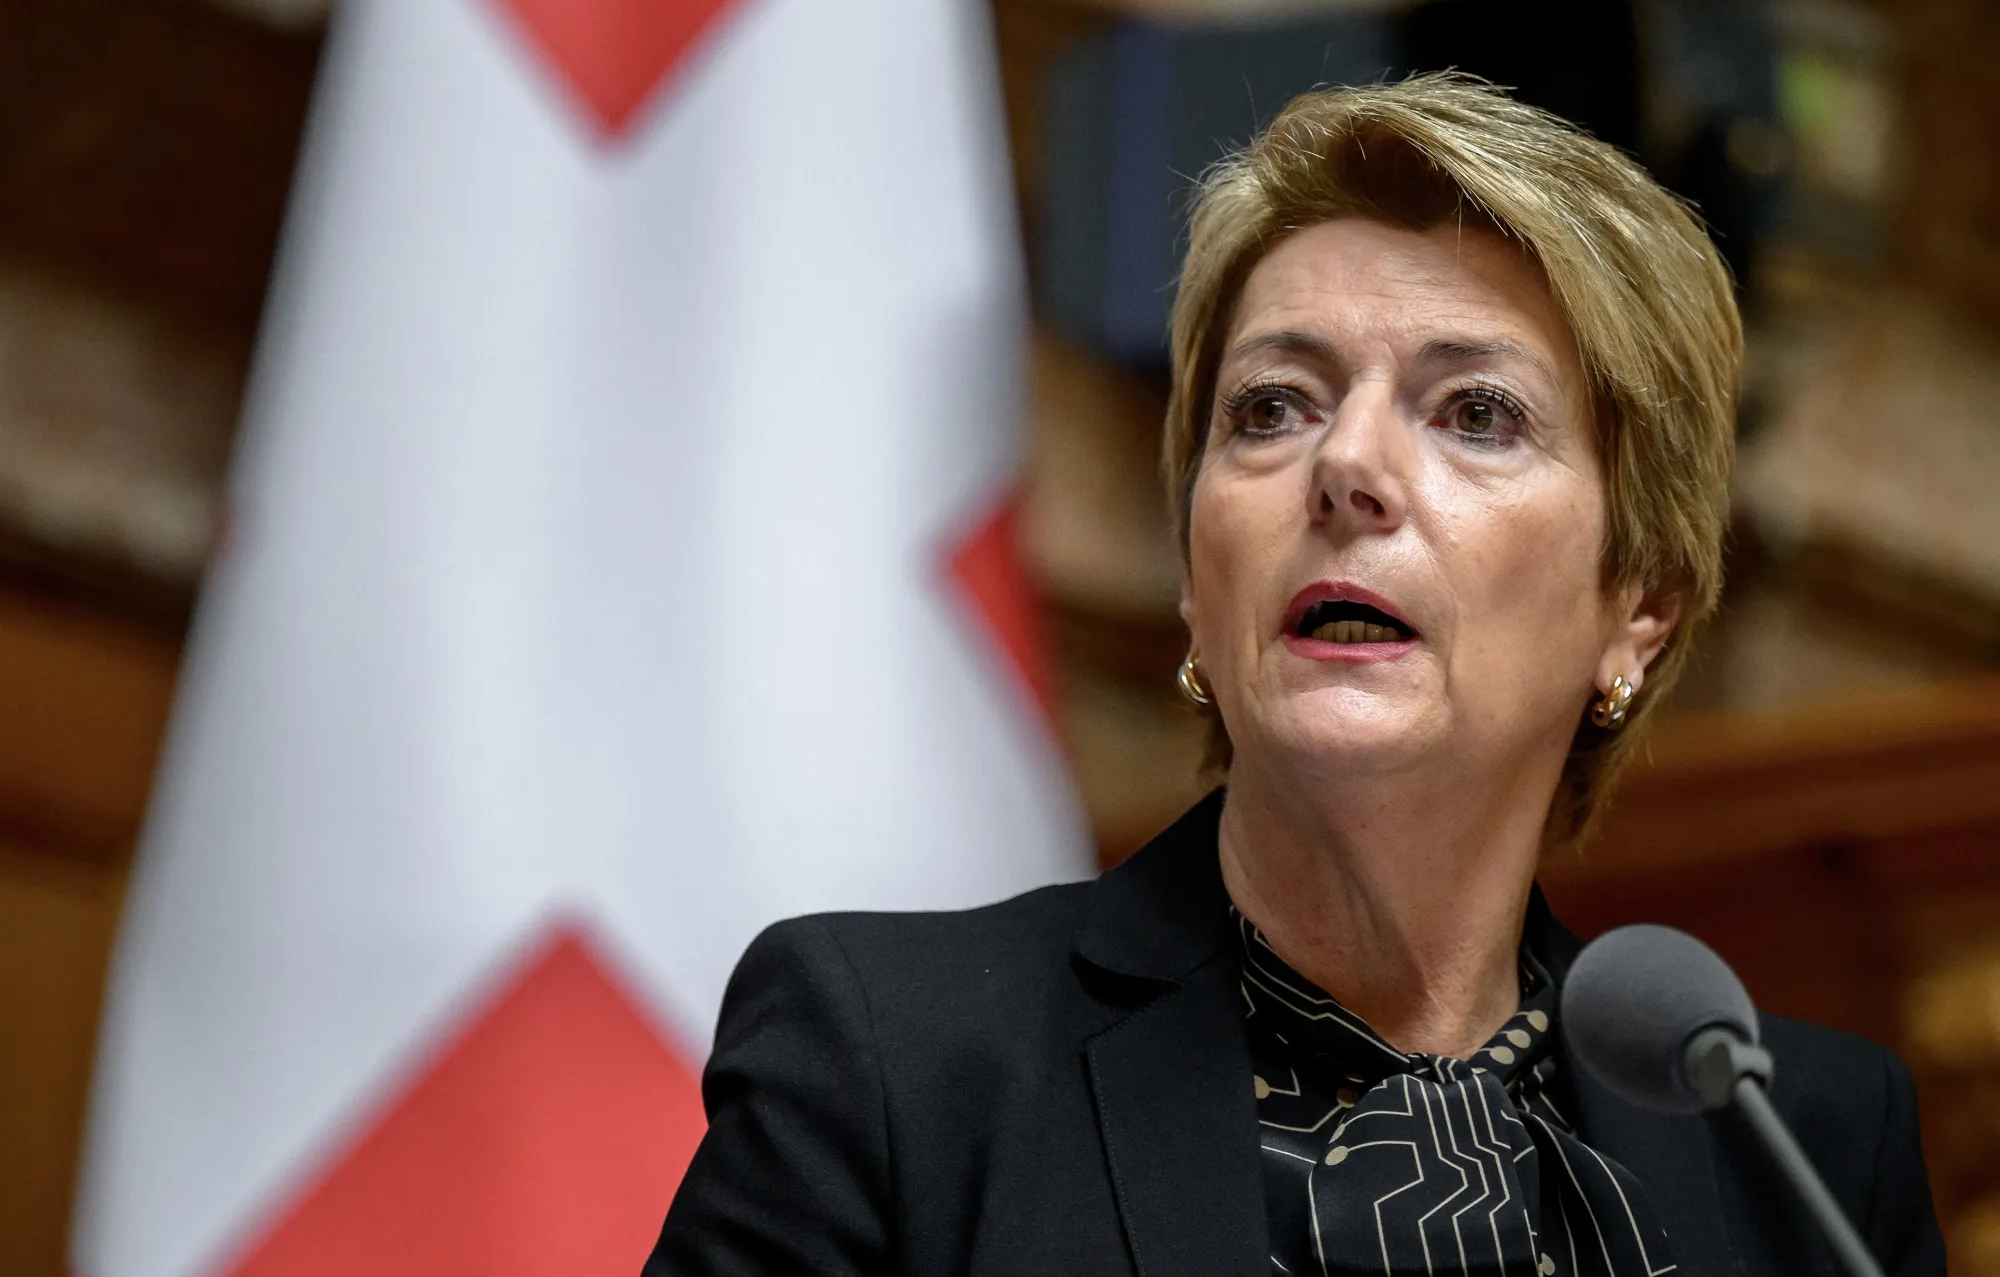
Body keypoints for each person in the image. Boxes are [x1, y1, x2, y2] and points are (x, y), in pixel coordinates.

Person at [644, 74, 1944, 1277]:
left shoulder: (1804, 1151)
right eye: (1273, 407)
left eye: (1476, 413)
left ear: (1639, 606)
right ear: (1194, 579)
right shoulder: (894, 1067)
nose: (1346, 466)